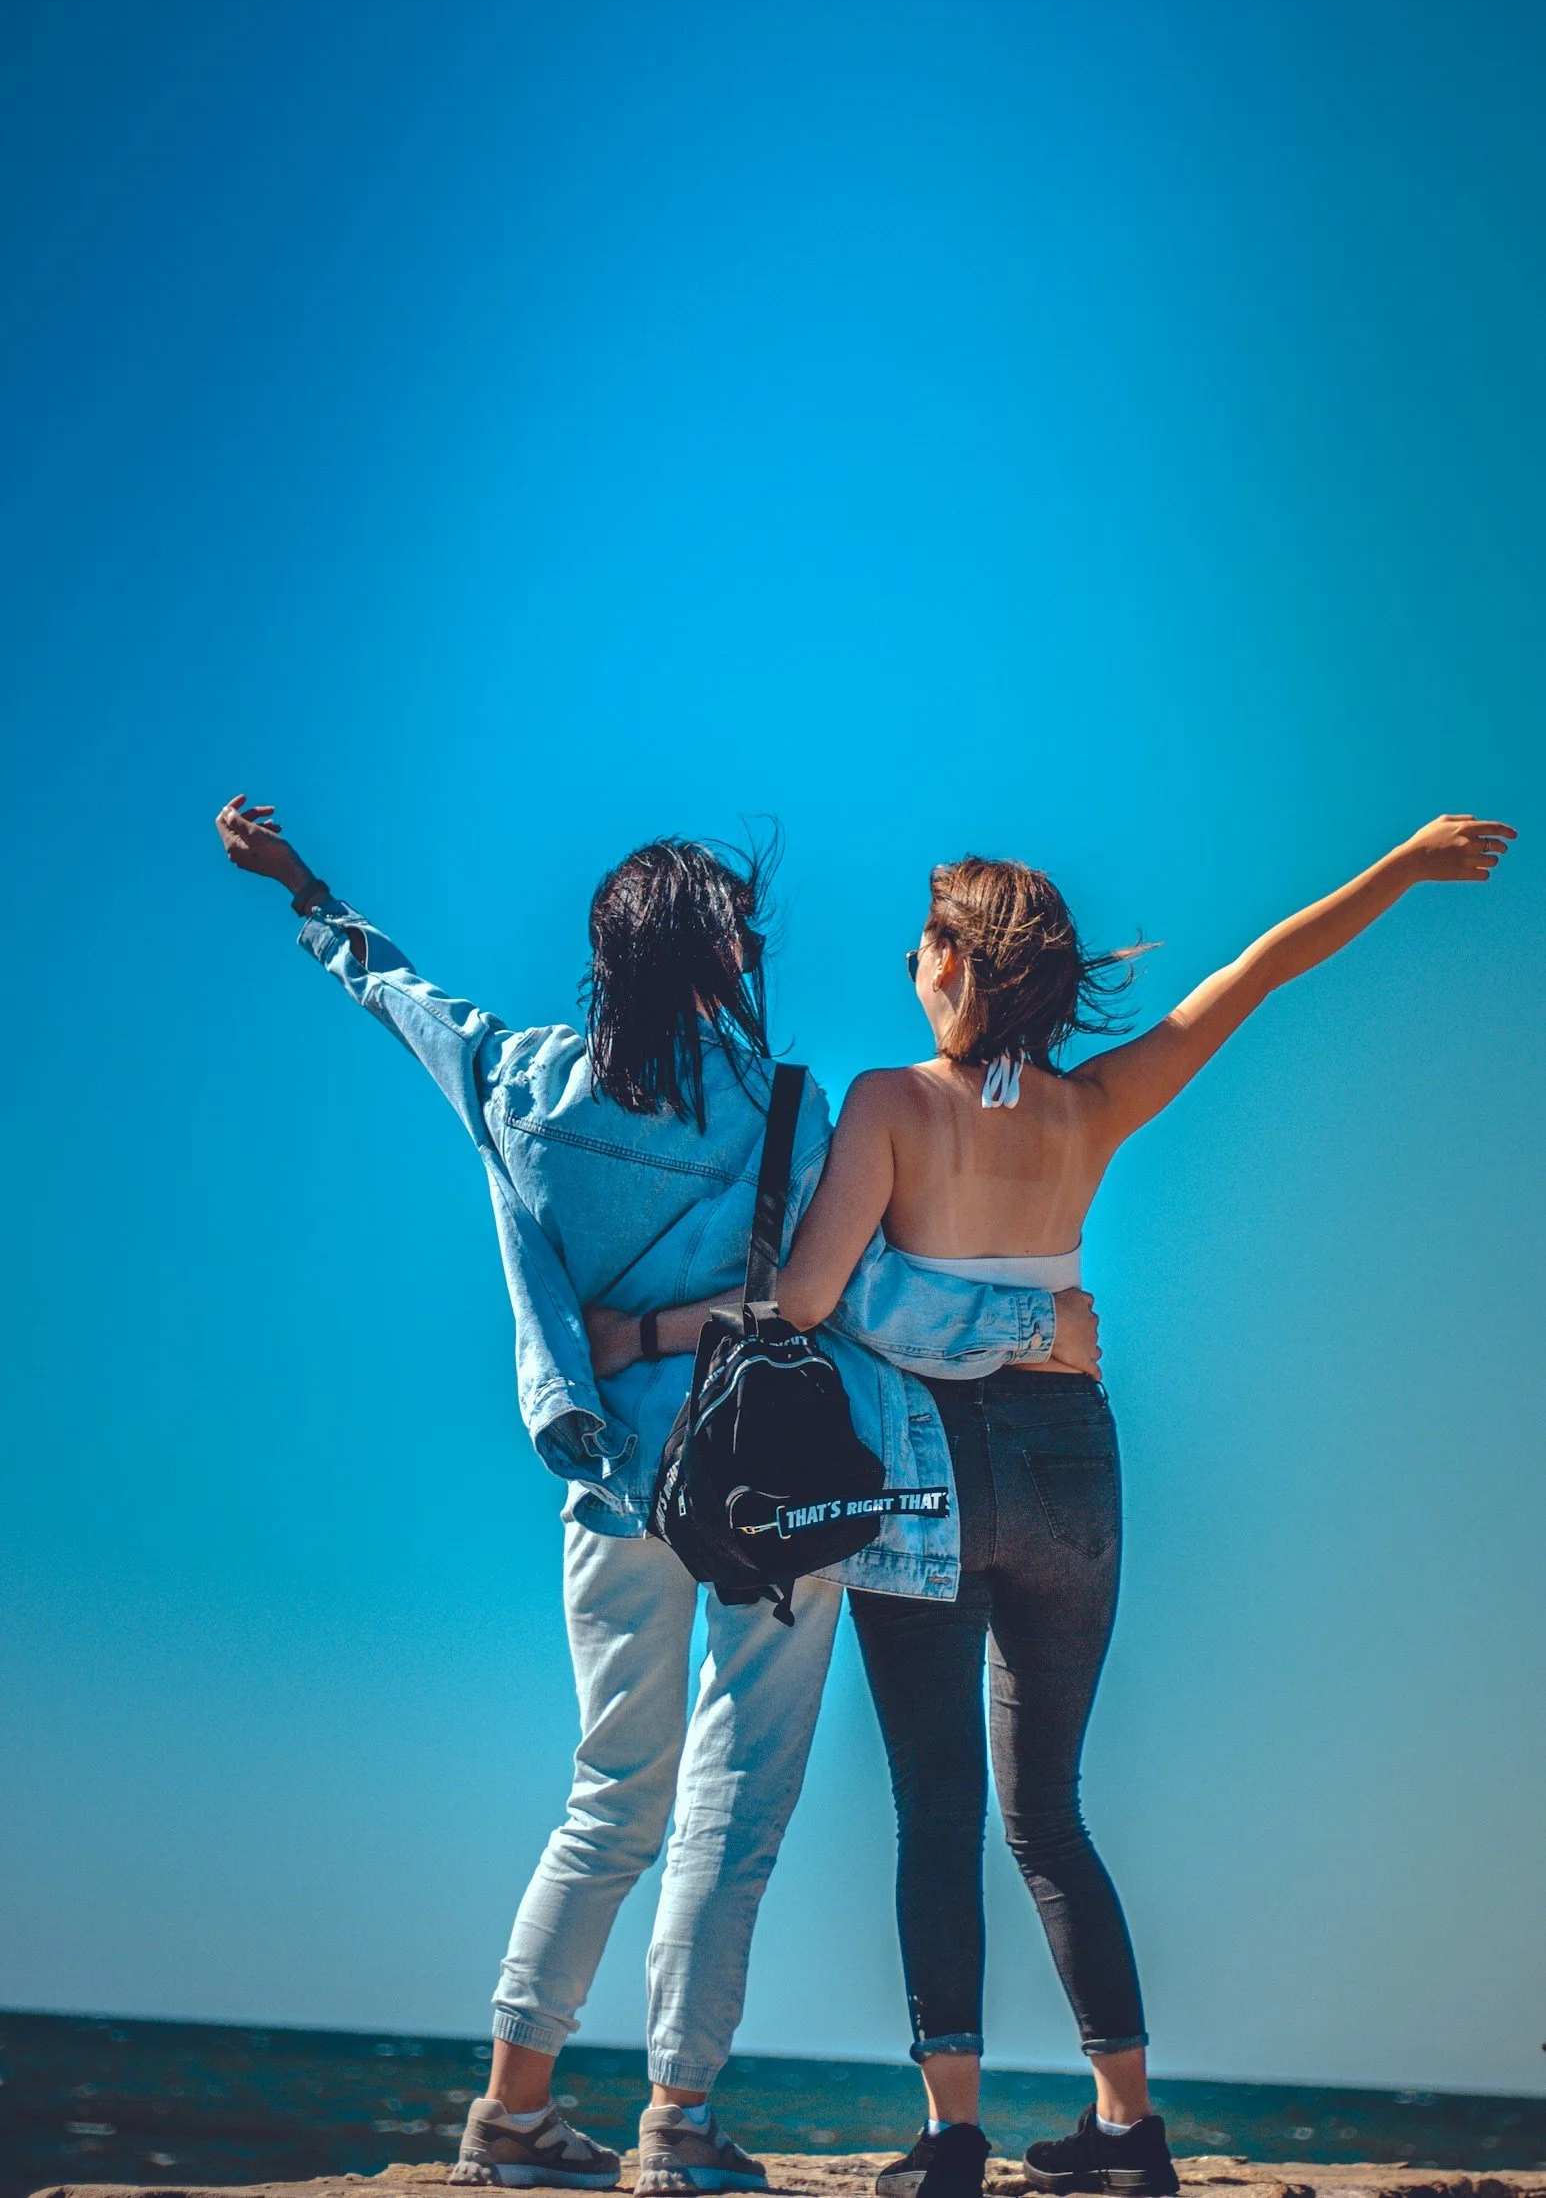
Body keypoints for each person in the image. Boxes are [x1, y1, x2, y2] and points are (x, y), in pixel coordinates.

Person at [591, 813, 1512, 2198]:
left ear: (958, 962)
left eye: (923, 944)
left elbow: (805, 1303)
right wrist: (1398, 866)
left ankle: (952, 2137)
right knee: (1051, 1816)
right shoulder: (1093, 1109)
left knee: (938, 1811)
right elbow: (1257, 973)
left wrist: (651, 1338)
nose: (909, 963)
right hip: (1076, 1461)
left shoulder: (891, 1105)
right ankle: (1128, 2131)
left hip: (930, 1472)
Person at [215, 797, 1100, 2195]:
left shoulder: (517, 1081)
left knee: (604, 1799)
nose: (758, 948)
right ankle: (675, 2128)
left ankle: (511, 2117)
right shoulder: (794, 1115)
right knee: (730, 1812)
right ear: (716, 959)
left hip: (614, 1488)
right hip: (774, 1488)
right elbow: (860, 1299)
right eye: (743, 931)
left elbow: (391, 989)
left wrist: (302, 885)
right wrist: (1040, 1329)